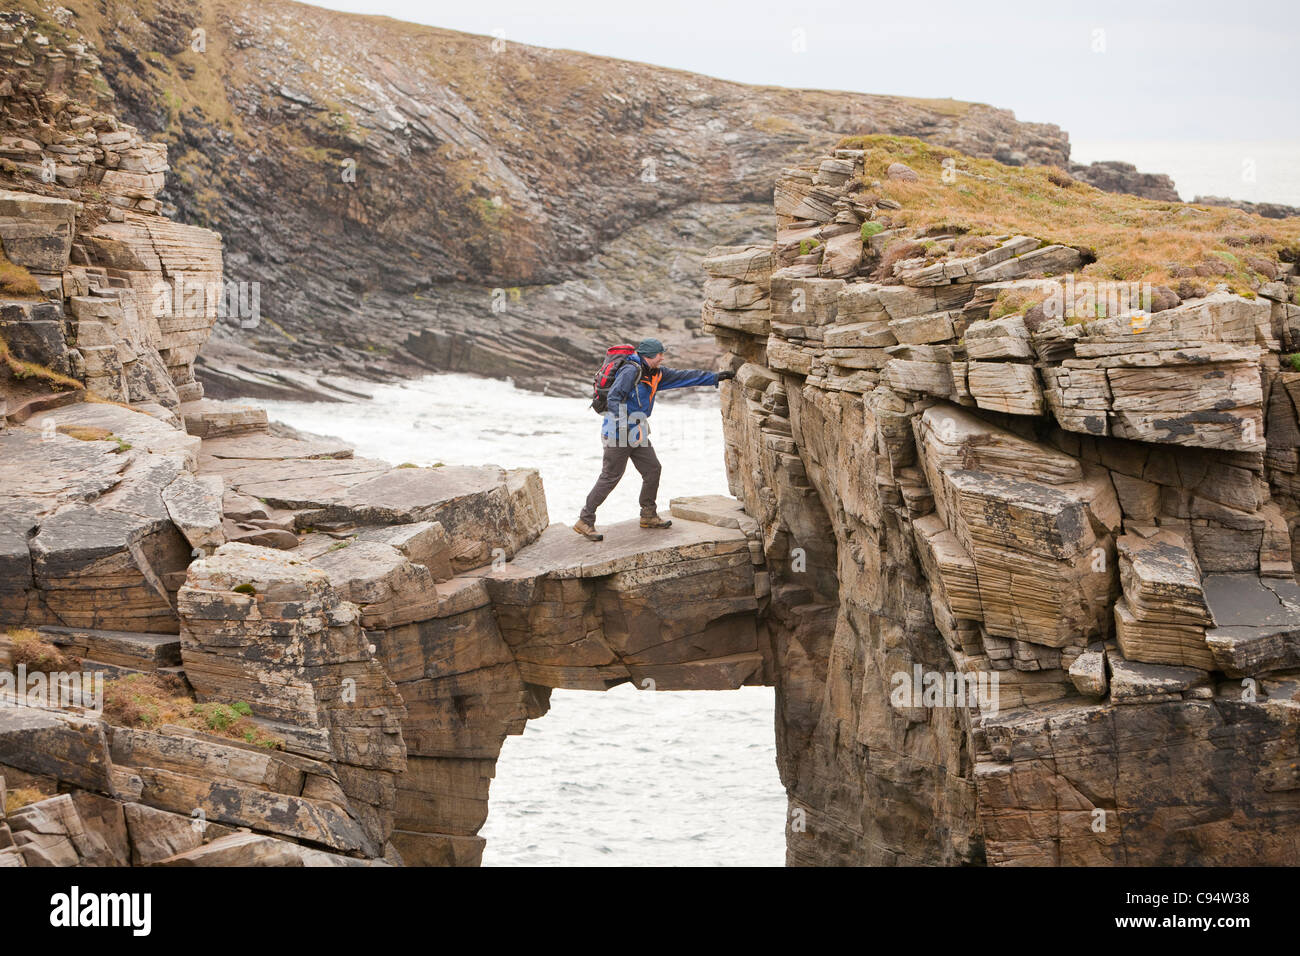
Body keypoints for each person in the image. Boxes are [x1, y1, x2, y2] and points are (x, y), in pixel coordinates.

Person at [574, 337, 735, 540]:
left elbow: (685, 376)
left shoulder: (657, 373)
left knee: (652, 469)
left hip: (638, 429)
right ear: (649, 355)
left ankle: (648, 515)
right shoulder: (631, 371)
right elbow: (614, 397)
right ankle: (585, 520)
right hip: (618, 431)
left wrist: (715, 377)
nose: (662, 357)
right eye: (660, 354)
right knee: (610, 477)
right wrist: (624, 424)